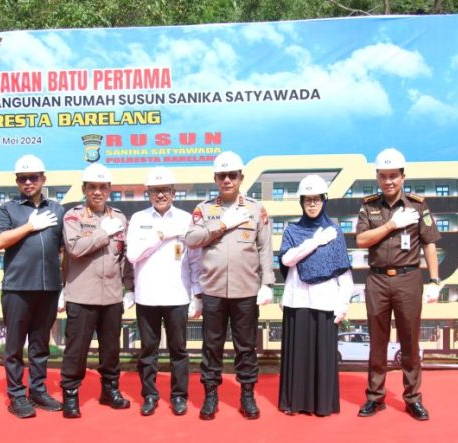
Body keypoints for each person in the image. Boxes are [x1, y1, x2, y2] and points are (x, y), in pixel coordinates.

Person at [186, 151, 275, 420]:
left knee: (245, 346)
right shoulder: (204, 209)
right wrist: (222, 225)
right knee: (211, 346)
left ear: (241, 178)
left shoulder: (256, 210)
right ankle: (210, 394)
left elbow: (264, 249)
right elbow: (192, 238)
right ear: (215, 178)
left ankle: (247, 395)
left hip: (246, 290)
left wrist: (267, 283)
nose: (227, 180)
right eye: (222, 175)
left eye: (232, 175)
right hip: (213, 290)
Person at [356, 148, 441, 421]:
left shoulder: (417, 205)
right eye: (383, 176)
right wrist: (392, 224)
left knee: (409, 342)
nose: (389, 181)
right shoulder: (369, 205)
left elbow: (429, 243)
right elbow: (361, 240)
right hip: (378, 279)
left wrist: (435, 281)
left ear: (403, 176)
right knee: (377, 342)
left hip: (408, 278)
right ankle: (375, 397)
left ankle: (413, 398)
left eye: (394, 176)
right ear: (377, 177)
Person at [0, 154, 65, 418]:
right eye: (23, 178)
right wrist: (30, 226)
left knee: (40, 344)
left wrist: (64, 286)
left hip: (48, 289)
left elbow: (63, 251)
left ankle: (38, 390)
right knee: (14, 346)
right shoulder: (7, 210)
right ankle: (16, 395)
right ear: (17, 181)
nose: (29, 182)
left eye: (34, 177)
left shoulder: (56, 210)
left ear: (43, 179)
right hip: (18, 289)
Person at [58, 163, 134, 419]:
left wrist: (129, 288)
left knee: (111, 348)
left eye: (103, 187)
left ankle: (109, 389)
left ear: (110, 189)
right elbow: (75, 249)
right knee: (76, 349)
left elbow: (123, 257)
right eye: (93, 187)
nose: (98, 192)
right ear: (84, 189)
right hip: (82, 294)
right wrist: (103, 234)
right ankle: (70, 393)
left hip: (112, 295)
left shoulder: (120, 218)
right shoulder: (73, 217)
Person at [125, 166, 202, 417]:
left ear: (174, 192)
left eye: (165, 190)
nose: (160, 195)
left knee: (179, 350)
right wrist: (160, 236)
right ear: (148, 193)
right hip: (146, 296)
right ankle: (149, 395)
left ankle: (179, 395)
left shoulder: (185, 219)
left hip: (177, 295)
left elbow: (194, 260)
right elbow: (133, 255)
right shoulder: (138, 220)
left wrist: (196, 294)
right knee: (148, 350)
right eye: (155, 191)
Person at [278, 175, 354, 416]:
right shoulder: (293, 230)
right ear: (301, 202)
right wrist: (314, 242)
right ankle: (295, 403)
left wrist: (343, 302)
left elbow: (343, 270)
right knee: (297, 356)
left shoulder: (335, 231)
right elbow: (287, 259)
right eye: (307, 200)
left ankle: (321, 404)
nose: (312, 204)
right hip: (297, 300)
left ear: (324, 201)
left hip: (325, 302)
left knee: (322, 357)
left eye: (317, 199)